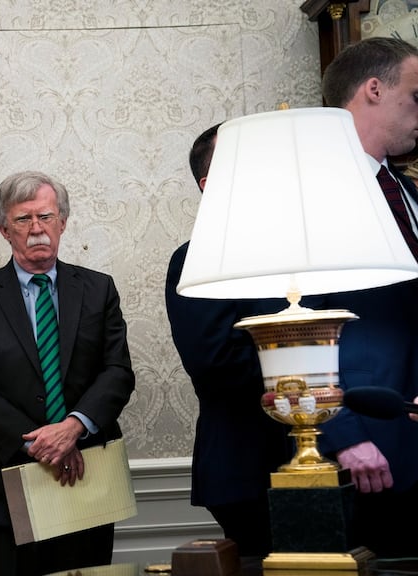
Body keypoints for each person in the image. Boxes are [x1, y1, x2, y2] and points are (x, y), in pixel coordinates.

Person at [0, 171, 135, 576]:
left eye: (46, 216)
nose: (36, 228)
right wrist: (42, 443)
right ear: (5, 230)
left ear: (62, 223)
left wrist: (72, 428)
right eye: (23, 219)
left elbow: (117, 371)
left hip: (87, 470)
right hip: (10, 476)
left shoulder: (99, 289)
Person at [164, 123, 296, 558]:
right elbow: (214, 361)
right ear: (209, 184)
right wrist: (301, 365)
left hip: (317, 456)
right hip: (247, 465)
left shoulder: (296, 247)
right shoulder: (195, 257)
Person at [318, 36, 418, 558]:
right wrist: (346, 434)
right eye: (416, 97)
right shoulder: (309, 191)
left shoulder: (407, 191)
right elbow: (291, 326)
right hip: (365, 452)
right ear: (374, 89)